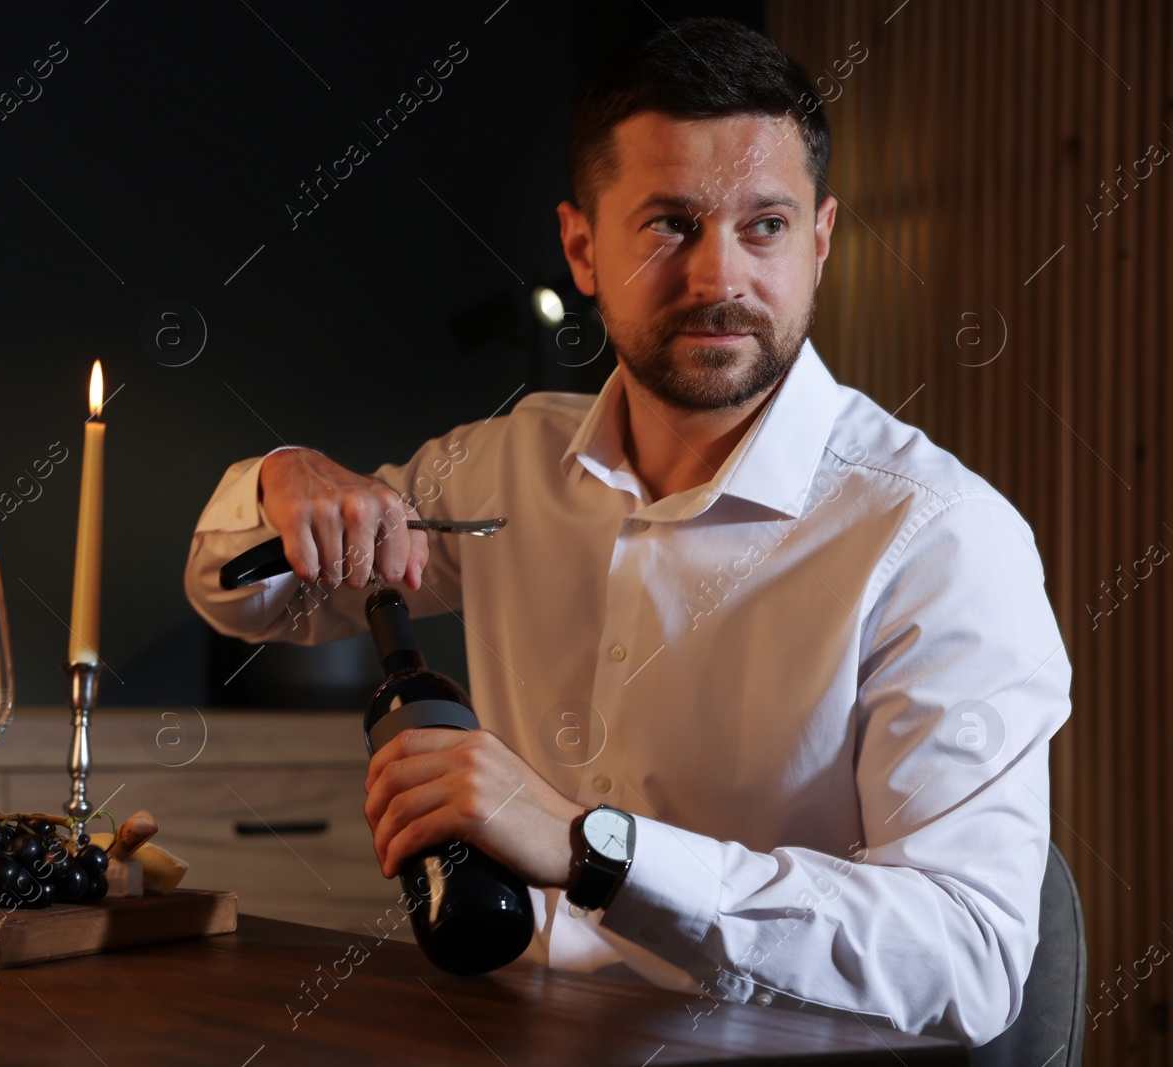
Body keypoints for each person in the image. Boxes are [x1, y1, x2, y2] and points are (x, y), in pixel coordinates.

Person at [184, 16, 1070, 1047]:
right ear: (580, 248)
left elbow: (968, 953)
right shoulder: (501, 466)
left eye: (765, 226)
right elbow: (246, 597)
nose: (718, 279)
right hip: (512, 1034)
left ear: (820, 241)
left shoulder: (941, 538)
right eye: (668, 224)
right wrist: (282, 481)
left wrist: (596, 846)